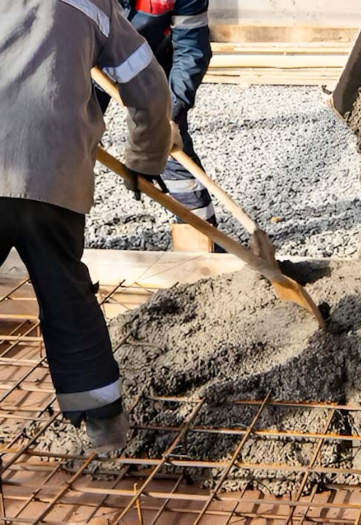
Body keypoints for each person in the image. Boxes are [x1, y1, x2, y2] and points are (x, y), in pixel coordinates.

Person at [0, 0, 173, 451]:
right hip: (55, 174)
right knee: (65, 295)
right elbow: (150, 88)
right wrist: (145, 158)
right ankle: (105, 428)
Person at [97, 0, 217, 227]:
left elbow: (191, 49)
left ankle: (201, 237)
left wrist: (168, 117)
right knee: (66, 144)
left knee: (168, 142)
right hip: (88, 60)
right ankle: (45, 240)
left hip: (149, 61)